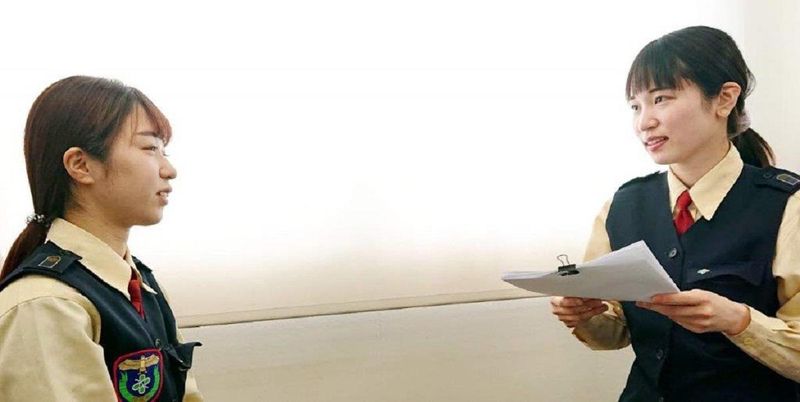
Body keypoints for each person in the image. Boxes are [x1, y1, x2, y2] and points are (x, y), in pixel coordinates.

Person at [550, 26, 800, 401]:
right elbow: (614, 332)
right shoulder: (622, 206)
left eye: (661, 99)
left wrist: (739, 321)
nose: (644, 122)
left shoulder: (787, 205)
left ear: (725, 99)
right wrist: (586, 315)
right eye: (636, 106)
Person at [0, 76, 204, 401]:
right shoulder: (47, 304)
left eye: (164, 151)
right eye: (150, 148)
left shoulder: (141, 285)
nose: (169, 169)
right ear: (81, 165)